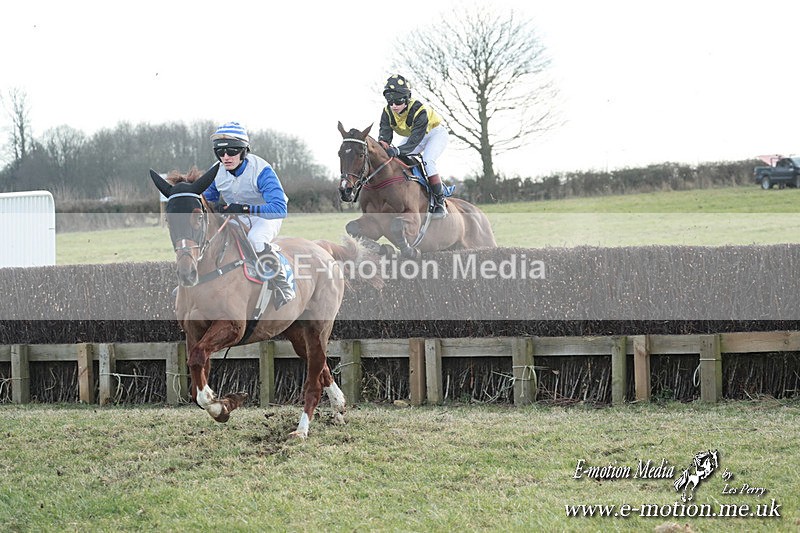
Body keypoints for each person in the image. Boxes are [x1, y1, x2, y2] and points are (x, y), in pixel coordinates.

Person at [203, 121, 295, 308]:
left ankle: (283, 284)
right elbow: (207, 200)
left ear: (244, 151)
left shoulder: (262, 171)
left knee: (255, 240)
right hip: (238, 215)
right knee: (215, 239)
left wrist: (245, 209)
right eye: (220, 153)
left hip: (266, 216)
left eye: (232, 152)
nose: (226, 157)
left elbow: (279, 209)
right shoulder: (216, 171)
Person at [378, 74, 449, 219]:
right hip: (415, 136)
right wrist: (382, 144)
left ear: (407, 97)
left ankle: (439, 201)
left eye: (397, 101)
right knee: (396, 159)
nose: (393, 106)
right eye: (390, 101)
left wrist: (398, 150)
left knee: (428, 161)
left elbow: (414, 141)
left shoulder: (419, 109)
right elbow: (385, 134)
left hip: (435, 134)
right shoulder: (387, 112)